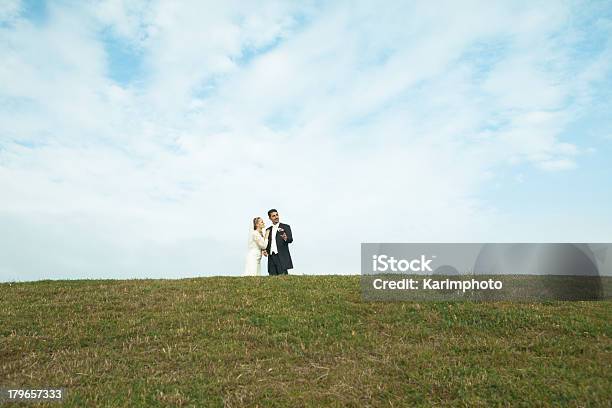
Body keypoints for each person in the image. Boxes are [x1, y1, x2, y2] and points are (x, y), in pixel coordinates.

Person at [263, 209, 293, 275]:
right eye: (273, 216)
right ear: (270, 218)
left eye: (277, 215)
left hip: (281, 256)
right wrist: (265, 250)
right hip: (271, 257)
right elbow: (266, 242)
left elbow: (290, 239)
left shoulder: (286, 227)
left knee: (283, 277)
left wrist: (286, 238)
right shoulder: (268, 229)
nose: (276, 217)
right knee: (272, 278)